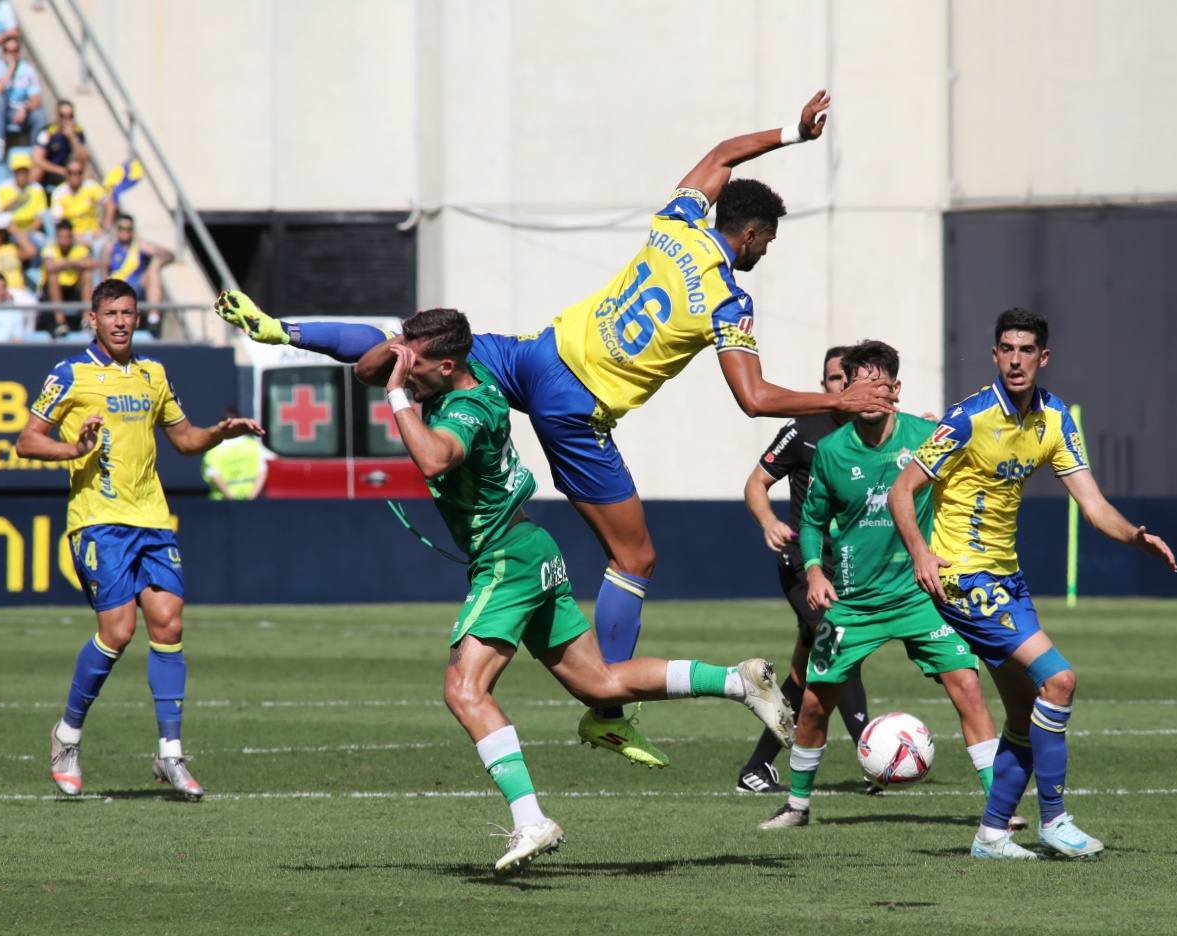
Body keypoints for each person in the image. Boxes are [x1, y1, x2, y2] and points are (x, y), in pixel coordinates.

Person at [212, 89, 894, 768]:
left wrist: (790, 133)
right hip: (576, 409)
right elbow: (752, 396)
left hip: (538, 355)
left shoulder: (677, 224)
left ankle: (280, 327)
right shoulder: (726, 298)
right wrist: (840, 401)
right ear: (747, 236)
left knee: (410, 344)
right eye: (764, 245)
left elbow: (719, 155)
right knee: (634, 559)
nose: (763, 256)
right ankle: (608, 714)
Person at [352, 307, 793, 874]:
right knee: (600, 683)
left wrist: (397, 396)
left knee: (464, 689)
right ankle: (737, 682)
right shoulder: (458, 372)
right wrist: (395, 352)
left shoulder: (470, 405)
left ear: (446, 365)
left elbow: (436, 458)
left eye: (416, 366)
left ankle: (530, 818)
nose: (404, 372)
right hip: (531, 546)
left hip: (506, 558)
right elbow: (366, 370)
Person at [888, 308, 1177, 860]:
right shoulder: (968, 418)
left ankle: (992, 835)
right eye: (1006, 349)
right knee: (1061, 680)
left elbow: (1093, 506)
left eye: (1026, 350)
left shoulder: (1055, 419)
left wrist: (1136, 535)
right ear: (995, 354)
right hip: (964, 579)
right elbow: (903, 491)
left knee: (1024, 715)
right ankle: (1055, 819)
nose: (1015, 359)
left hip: (1008, 579)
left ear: (1043, 357)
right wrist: (921, 552)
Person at [14, 278, 264, 800]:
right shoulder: (70, 374)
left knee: (169, 623)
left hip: (151, 517)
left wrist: (220, 431)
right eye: (111, 314)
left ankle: (169, 753)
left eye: (129, 312)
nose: (122, 321)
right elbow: (27, 441)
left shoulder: (154, 375)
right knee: (119, 631)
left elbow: (184, 439)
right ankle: (66, 735)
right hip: (98, 520)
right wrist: (74, 448)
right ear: (93, 319)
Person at [758, 340, 1019, 830]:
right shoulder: (832, 452)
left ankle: (998, 809)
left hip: (922, 596)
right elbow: (812, 521)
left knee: (967, 685)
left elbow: (970, 477)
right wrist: (814, 570)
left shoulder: (925, 437)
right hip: (853, 602)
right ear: (848, 391)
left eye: (882, 385)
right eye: (861, 385)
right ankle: (796, 805)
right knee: (815, 702)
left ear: (896, 390)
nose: (872, 395)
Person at [735, 344, 870, 794]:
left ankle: (757, 768)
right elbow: (757, 482)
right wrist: (768, 520)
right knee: (837, 645)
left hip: (852, 569)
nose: (843, 387)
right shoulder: (803, 430)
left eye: (850, 379)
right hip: (801, 564)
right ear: (824, 385)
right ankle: (873, 754)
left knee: (806, 671)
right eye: (835, 379)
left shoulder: (879, 433)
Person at [102, 212, 173, 333]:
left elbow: (169, 255)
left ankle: (153, 317)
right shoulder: (110, 247)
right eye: (121, 228)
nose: (125, 231)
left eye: (128, 229)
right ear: (117, 230)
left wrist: (156, 260)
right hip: (115, 288)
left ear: (133, 230)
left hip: (135, 287)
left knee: (153, 268)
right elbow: (103, 272)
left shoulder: (139, 246)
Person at [0, 34, 45, 144]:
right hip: (1, 110)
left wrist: (24, 108)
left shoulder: (28, 70)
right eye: (8, 51)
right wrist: (11, 68)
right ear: (3, 52)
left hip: (20, 110)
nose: (12, 54)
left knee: (39, 116)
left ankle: (37, 151)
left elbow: (36, 100)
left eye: (15, 50)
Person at [202, 407, 273, 499]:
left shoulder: (214, 448)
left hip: (222, 502)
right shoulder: (253, 446)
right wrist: (251, 497)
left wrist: (231, 498)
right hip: (249, 500)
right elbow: (262, 471)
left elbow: (214, 474)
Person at [39, 217, 92, 335]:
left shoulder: (80, 249)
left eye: (67, 237)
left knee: (87, 274)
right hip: (52, 291)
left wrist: (67, 262)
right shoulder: (50, 249)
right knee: (52, 276)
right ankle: (60, 322)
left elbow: (91, 263)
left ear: (72, 237)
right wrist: (75, 263)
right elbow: (49, 266)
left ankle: (86, 320)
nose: (64, 241)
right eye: (61, 237)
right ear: (57, 237)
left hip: (74, 289)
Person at [0, 149, 47, 253]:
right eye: (18, 171)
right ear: (13, 172)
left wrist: (27, 231)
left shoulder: (36, 189)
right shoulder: (2, 188)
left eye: (25, 171)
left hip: (31, 231)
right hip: (8, 231)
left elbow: (40, 218)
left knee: (43, 244)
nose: (22, 175)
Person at [49, 159, 109, 247]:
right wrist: (73, 236)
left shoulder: (91, 186)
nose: (75, 175)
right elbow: (58, 222)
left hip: (93, 232)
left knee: (107, 247)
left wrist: (104, 227)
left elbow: (109, 203)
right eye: (71, 172)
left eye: (79, 172)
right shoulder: (59, 193)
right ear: (66, 174)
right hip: (70, 235)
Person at [32, 98, 88, 187]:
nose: (66, 119)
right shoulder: (48, 132)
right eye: (62, 116)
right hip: (50, 169)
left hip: (70, 171)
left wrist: (72, 138)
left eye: (70, 116)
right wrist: (60, 170)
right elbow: (37, 158)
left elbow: (83, 159)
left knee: (87, 173)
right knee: (37, 170)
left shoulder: (78, 132)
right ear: (57, 115)